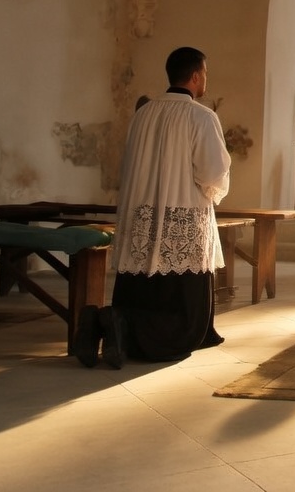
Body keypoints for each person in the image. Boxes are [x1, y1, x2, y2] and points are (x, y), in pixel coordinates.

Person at [73, 47, 232, 368]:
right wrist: (215, 192)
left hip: (141, 218)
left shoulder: (142, 114)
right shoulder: (201, 116)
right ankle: (118, 324)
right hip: (182, 218)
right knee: (177, 310)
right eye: (206, 75)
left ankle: (107, 320)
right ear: (196, 76)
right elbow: (213, 172)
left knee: (142, 286)